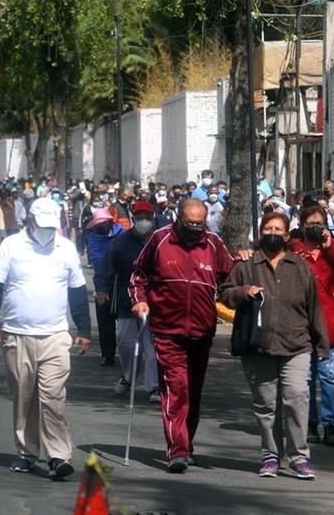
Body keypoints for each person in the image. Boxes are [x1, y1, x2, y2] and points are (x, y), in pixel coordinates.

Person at [0, 198, 91, 480]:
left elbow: (78, 291)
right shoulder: (11, 246)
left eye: (51, 226)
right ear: (29, 220)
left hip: (55, 335)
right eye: (42, 225)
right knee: (24, 396)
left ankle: (58, 455)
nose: (47, 230)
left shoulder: (66, 248)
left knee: (52, 396)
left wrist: (84, 329)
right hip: (17, 335)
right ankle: (27, 452)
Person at [128, 199, 235, 473]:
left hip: (201, 330)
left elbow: (231, 276)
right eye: (191, 224)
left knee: (193, 391)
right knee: (177, 390)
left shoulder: (213, 244)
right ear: (178, 218)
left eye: (201, 224)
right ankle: (176, 450)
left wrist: (245, 262)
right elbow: (138, 275)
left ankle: (186, 446)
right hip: (167, 330)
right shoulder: (160, 240)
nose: (196, 229)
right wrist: (139, 301)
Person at [220, 211, 328, 480]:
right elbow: (225, 294)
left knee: (296, 400)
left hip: (296, 345)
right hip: (259, 347)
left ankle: (299, 457)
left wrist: (322, 343)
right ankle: (271, 456)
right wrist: (243, 292)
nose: (273, 233)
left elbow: (314, 307)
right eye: (268, 228)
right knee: (266, 406)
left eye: (279, 229)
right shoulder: (247, 264)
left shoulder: (300, 266)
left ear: (287, 234)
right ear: (260, 232)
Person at [291, 206, 334, 448]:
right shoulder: (294, 249)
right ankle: (309, 423)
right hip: (301, 323)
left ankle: (331, 425)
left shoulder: (333, 248)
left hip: (330, 324)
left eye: (320, 223)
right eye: (311, 223)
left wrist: (331, 248)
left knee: (329, 377)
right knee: (306, 378)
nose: (315, 228)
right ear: (302, 224)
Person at [96, 201, 159, 404]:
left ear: (153, 218)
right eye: (139, 217)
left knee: (153, 347)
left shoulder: (162, 241)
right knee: (126, 343)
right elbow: (106, 265)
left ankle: (153, 386)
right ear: (133, 217)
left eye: (147, 217)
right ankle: (129, 376)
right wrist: (102, 288)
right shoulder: (121, 243)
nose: (143, 221)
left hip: (155, 302)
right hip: (127, 301)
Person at [86, 206, 124, 366]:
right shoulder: (94, 240)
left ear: (110, 222)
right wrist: (101, 288)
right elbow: (98, 262)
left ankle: (128, 354)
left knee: (126, 322)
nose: (101, 226)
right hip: (103, 280)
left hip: (122, 281)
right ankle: (107, 354)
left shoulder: (123, 235)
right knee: (105, 320)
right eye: (98, 224)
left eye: (104, 223)